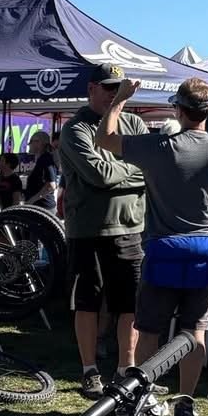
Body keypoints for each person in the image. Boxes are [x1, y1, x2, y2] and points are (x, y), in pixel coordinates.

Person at [106, 79, 208, 416]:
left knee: (149, 330)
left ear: (178, 110)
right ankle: (185, 405)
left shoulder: (159, 146)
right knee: (195, 332)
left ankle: (143, 398)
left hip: (163, 251)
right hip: (203, 253)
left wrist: (119, 101)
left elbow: (105, 139)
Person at [56, 62, 149, 397]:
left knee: (129, 304)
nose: (114, 94)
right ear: (91, 89)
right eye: (109, 88)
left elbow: (150, 168)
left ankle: (125, 369)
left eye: (119, 89)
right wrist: (131, 170)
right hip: (88, 230)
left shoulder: (133, 123)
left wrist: (122, 170)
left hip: (130, 226)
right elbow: (100, 176)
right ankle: (89, 370)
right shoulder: (76, 129)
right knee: (87, 302)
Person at [24, 130, 58, 212]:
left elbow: (51, 186)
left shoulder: (45, 159)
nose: (29, 145)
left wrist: (31, 201)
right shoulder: (43, 159)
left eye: (31, 142)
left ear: (39, 143)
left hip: (43, 208)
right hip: (41, 207)